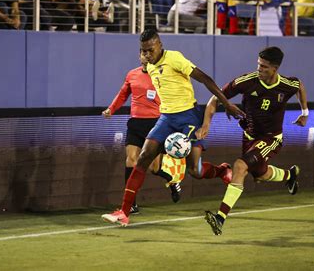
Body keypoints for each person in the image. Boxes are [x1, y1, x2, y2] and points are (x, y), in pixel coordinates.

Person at [101, 29, 245, 227]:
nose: (147, 55)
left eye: (150, 50)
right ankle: (124, 212)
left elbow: (205, 79)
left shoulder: (174, 58)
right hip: (166, 118)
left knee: (195, 170)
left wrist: (226, 104)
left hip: (189, 117)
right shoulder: (150, 67)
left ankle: (221, 171)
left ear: (159, 45)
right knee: (142, 159)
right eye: (144, 51)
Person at [202, 46, 309, 236]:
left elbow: (299, 86)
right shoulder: (247, 81)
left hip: (270, 139)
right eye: (258, 65)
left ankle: (220, 218)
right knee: (259, 174)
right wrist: (206, 125)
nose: (259, 69)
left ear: (275, 69)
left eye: (264, 67)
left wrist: (304, 112)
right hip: (249, 136)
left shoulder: (286, 84)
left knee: (240, 166)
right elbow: (214, 98)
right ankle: (289, 176)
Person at [102, 52, 182, 214]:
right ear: (139, 57)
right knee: (131, 160)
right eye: (143, 54)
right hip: (135, 123)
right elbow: (123, 94)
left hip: (155, 125)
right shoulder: (132, 74)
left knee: (154, 168)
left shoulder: (162, 74)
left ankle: (172, 181)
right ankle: (131, 204)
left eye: (148, 53)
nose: (146, 56)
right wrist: (111, 108)